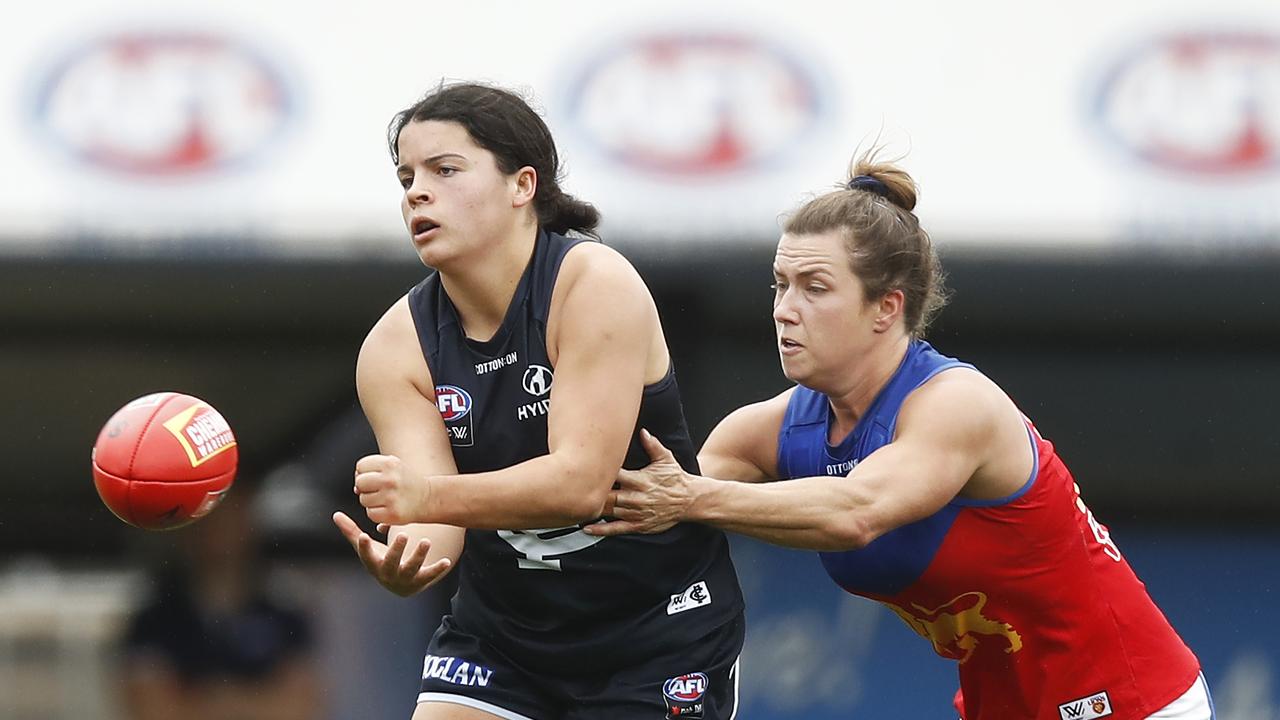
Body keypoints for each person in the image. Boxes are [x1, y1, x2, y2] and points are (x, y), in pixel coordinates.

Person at [586, 152, 1212, 719]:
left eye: (815, 288)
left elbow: (853, 512)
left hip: (1134, 699)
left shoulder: (955, 404)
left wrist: (688, 498)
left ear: (886, 307)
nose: (784, 308)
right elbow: (642, 502)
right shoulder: (769, 429)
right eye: (780, 284)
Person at [330, 81, 745, 720]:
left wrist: (427, 498)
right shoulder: (394, 347)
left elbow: (580, 483)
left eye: (445, 169)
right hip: (502, 639)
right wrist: (408, 560)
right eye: (407, 175)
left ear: (522, 186)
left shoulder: (593, 283)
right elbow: (433, 522)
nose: (416, 191)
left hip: (655, 634)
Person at [121, 489, 323, 720]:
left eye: (228, 515)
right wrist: (254, 702)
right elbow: (153, 710)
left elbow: (299, 708)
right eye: (205, 518)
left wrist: (218, 700)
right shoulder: (154, 621)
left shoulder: (285, 614)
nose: (216, 531)